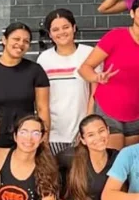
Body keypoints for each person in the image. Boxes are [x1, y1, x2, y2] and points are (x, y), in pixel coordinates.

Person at [79, 0, 139, 149]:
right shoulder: (115, 36)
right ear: (132, 13)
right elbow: (85, 68)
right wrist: (97, 77)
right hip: (109, 108)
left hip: (136, 113)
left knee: (130, 161)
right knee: (112, 159)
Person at [37, 9, 95, 154]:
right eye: (55, 29)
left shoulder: (89, 53)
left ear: (74, 28)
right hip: (53, 134)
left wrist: (87, 126)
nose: (61, 32)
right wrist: (44, 132)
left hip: (82, 134)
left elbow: (94, 94)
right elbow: (41, 100)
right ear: (50, 34)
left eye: (66, 27)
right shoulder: (44, 59)